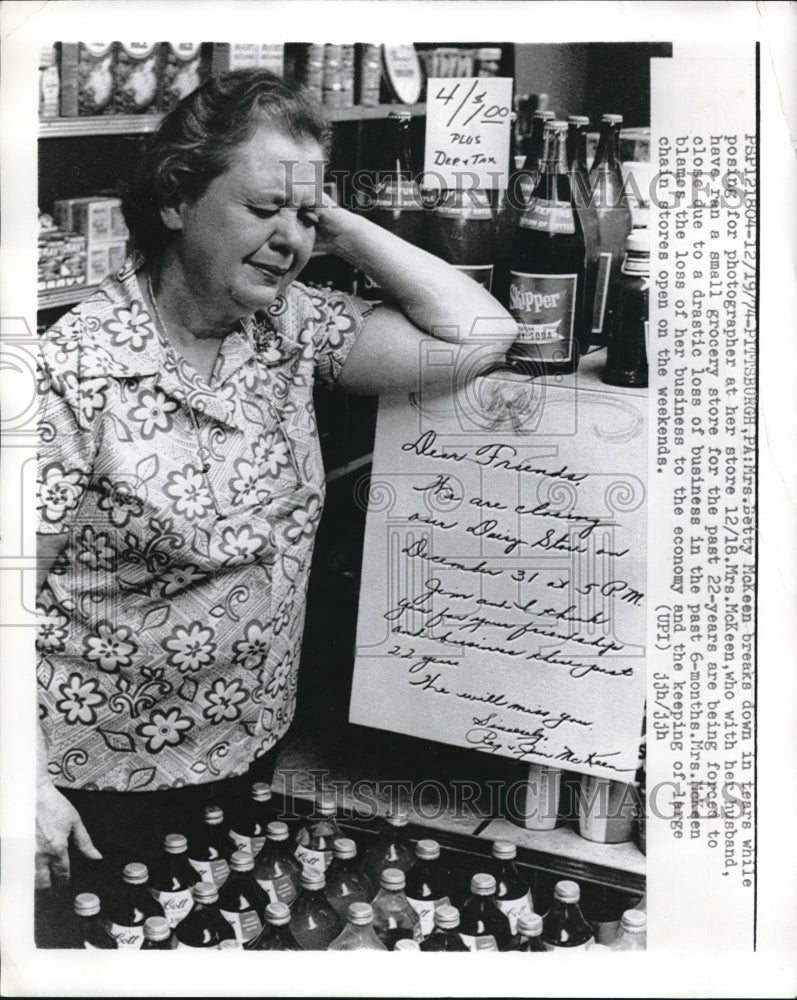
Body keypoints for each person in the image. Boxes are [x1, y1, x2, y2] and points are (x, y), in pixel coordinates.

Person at [35, 70, 517, 902]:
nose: (290, 239)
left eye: (304, 217)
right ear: (177, 198)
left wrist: (329, 216)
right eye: (263, 209)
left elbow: (481, 334)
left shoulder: (289, 326)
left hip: (252, 744)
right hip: (95, 781)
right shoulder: (69, 367)